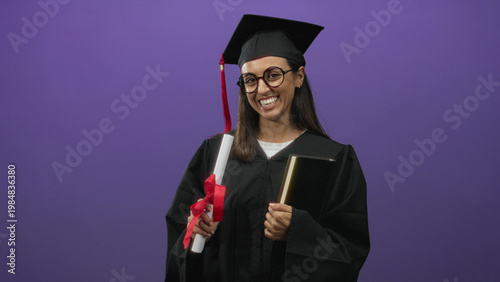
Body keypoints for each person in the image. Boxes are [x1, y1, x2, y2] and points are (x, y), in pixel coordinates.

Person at [165, 14, 370, 281]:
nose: (262, 89)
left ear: (298, 76)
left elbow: (350, 253)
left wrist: (298, 230)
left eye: (273, 75)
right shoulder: (214, 153)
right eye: (250, 79)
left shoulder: (334, 158)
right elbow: (180, 243)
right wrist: (197, 231)